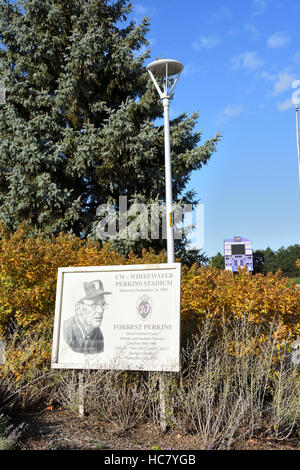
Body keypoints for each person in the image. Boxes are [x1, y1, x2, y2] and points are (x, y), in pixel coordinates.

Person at [63, 279, 111, 354]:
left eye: (103, 304)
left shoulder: (98, 334)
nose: (101, 310)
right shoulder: (66, 330)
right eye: (94, 305)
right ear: (78, 309)